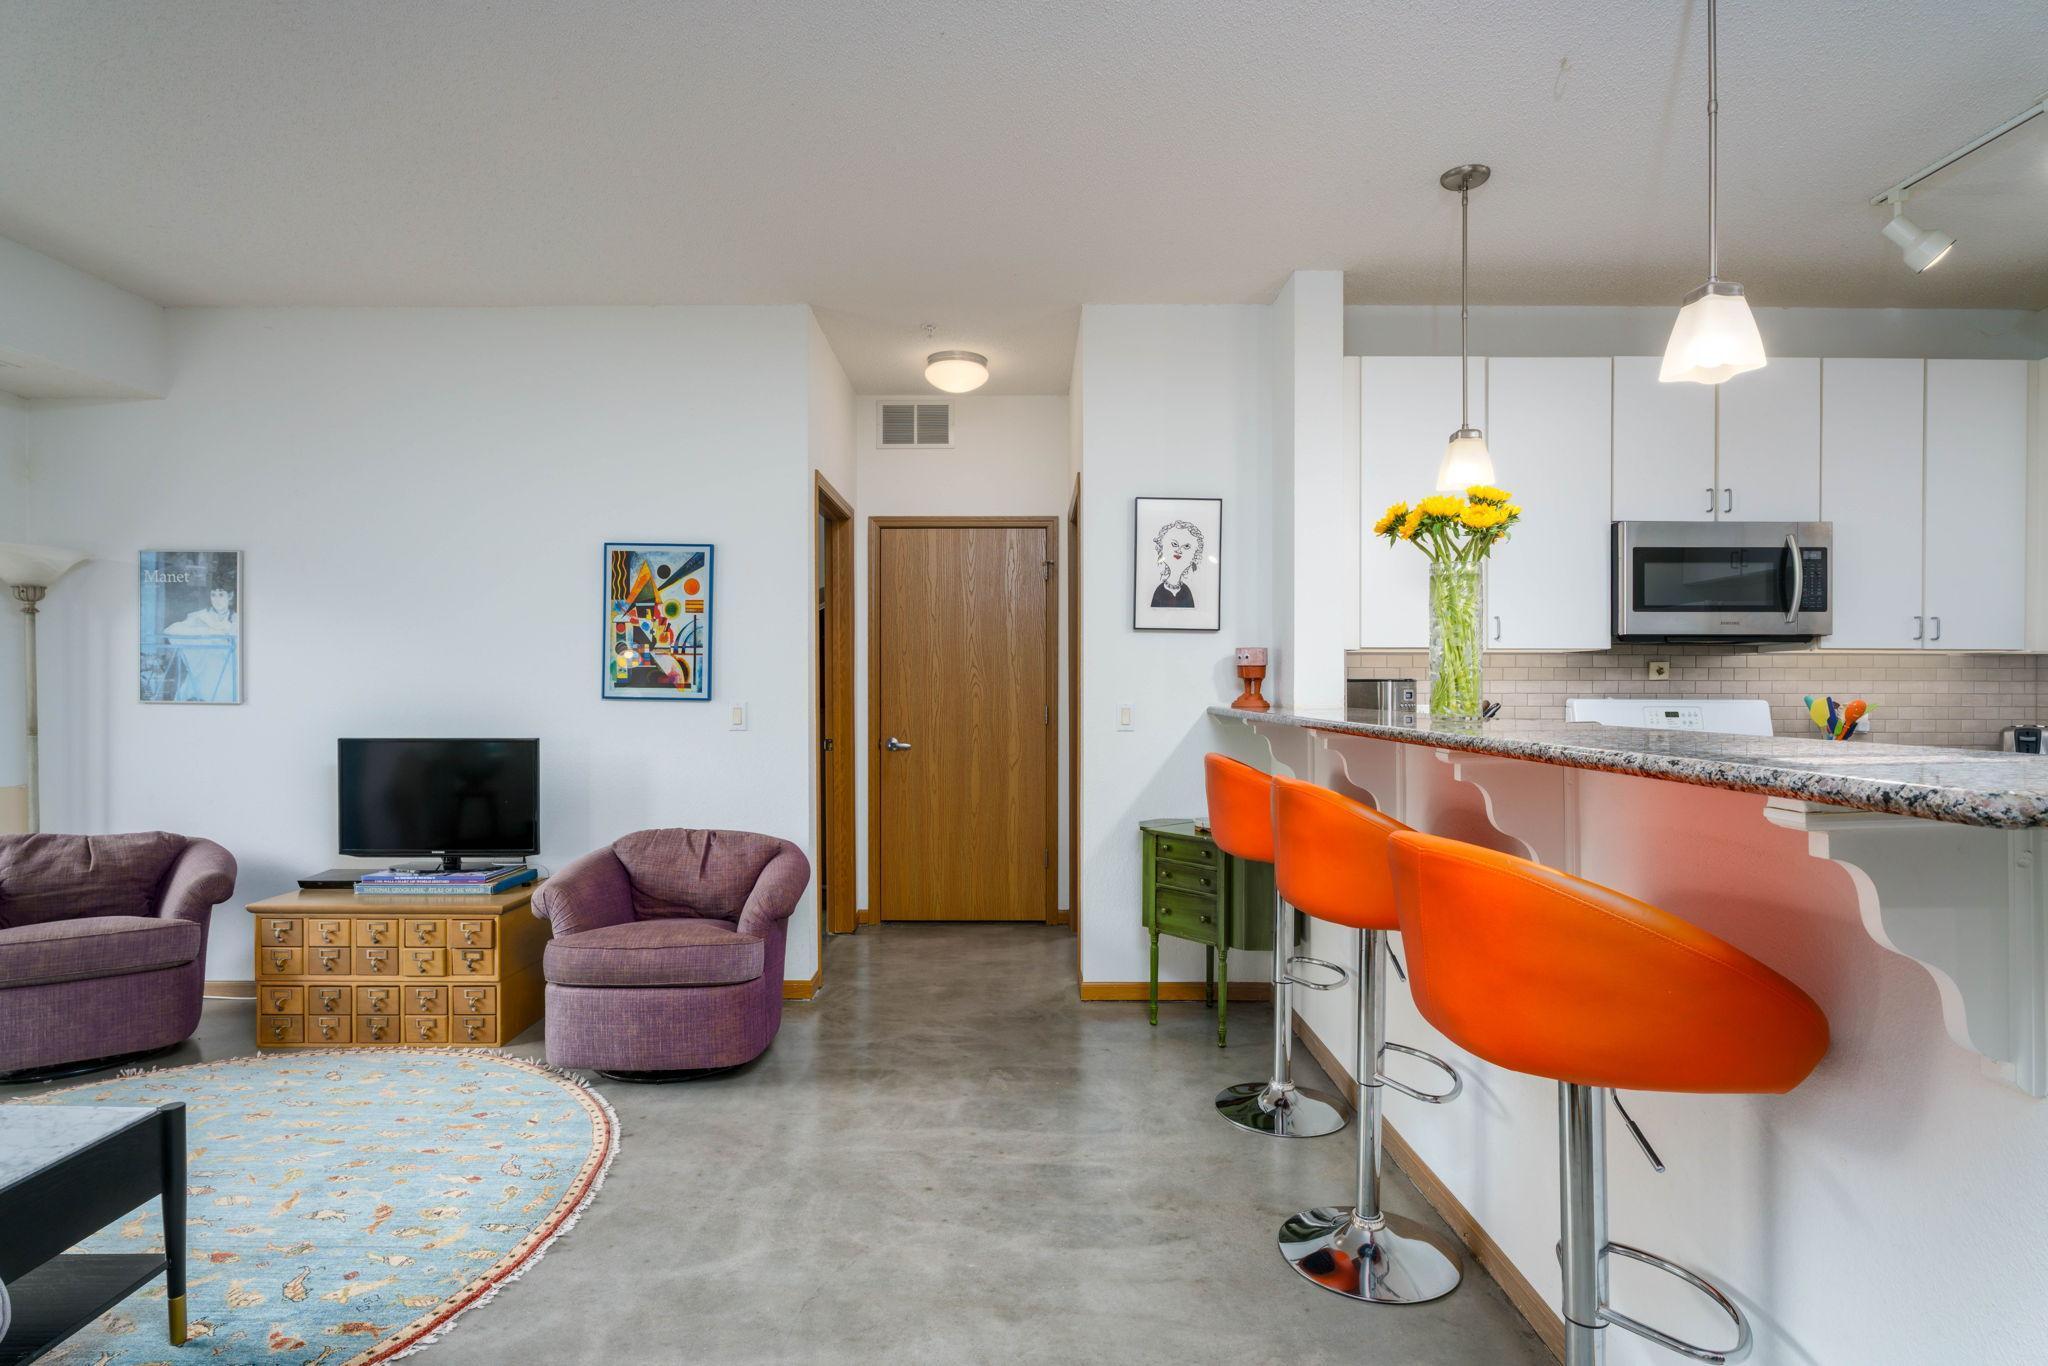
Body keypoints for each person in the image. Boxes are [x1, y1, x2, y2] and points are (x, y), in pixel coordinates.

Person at [1150, 519, 1204, 609]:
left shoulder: (1186, 592)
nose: (1179, 550)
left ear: (1195, 556)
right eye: (1174, 544)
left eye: (1186, 547)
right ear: (1161, 548)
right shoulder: (1159, 591)